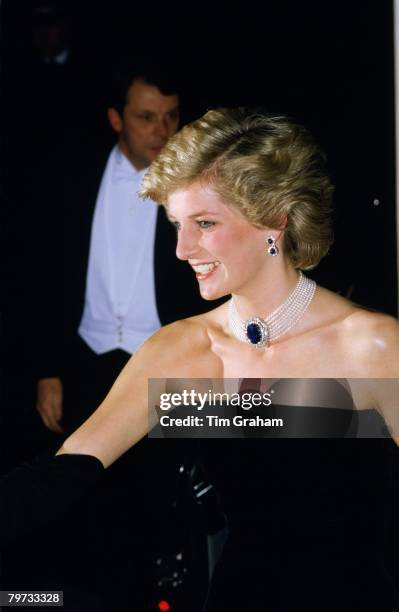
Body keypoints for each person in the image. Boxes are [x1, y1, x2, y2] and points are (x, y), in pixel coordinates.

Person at [3, 108, 399, 610]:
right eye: (175, 224)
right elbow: (65, 474)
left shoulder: (373, 347)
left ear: (275, 219)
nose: (181, 249)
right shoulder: (182, 349)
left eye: (204, 223)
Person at [35, 60, 213, 435]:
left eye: (170, 116)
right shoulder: (72, 178)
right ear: (116, 120)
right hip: (83, 365)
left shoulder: (203, 188)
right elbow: (45, 275)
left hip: (167, 369)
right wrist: (47, 369)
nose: (162, 131)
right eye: (146, 117)